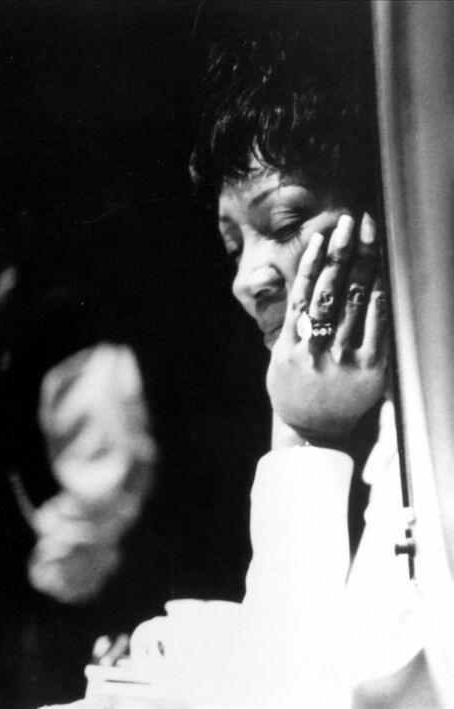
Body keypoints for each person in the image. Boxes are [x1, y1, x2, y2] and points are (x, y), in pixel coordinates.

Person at [87, 18, 437, 707]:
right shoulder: (396, 425)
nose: (247, 279)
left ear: (390, 205)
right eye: (232, 246)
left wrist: (304, 437)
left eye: (283, 223)